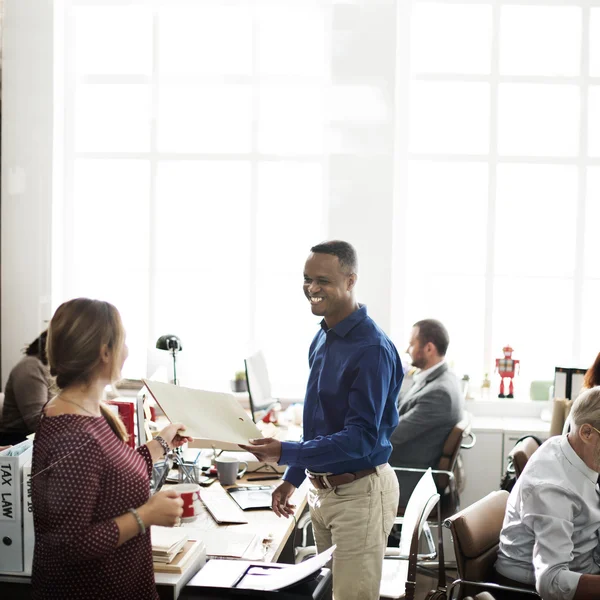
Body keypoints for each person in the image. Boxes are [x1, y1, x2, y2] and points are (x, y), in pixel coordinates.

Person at [240, 240, 403, 600]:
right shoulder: (323, 336)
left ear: (350, 281)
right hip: (323, 491)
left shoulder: (371, 349)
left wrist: (285, 451)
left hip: (359, 493)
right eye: (307, 279)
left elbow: (360, 438)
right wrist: (292, 477)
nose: (312, 288)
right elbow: (319, 424)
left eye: (323, 281)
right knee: (330, 592)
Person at [31, 298, 192, 600]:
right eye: (124, 342)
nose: (127, 351)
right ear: (104, 351)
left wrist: (162, 443)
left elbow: (113, 473)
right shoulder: (74, 435)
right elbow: (69, 543)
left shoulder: (87, 412)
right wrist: (147, 514)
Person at [495, 386, 600, 600]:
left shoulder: (567, 447)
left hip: (583, 565)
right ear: (587, 432)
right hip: (527, 590)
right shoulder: (553, 489)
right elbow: (551, 582)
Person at [389, 319, 463, 508]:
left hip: (409, 478)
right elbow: (400, 408)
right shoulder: (436, 379)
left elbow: (391, 435)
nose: (407, 350)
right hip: (405, 466)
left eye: (412, 344)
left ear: (429, 348)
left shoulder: (439, 393)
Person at [0, 331, 52, 446]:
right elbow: (37, 422)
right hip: (17, 442)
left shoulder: (47, 368)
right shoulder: (30, 367)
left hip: (33, 438)